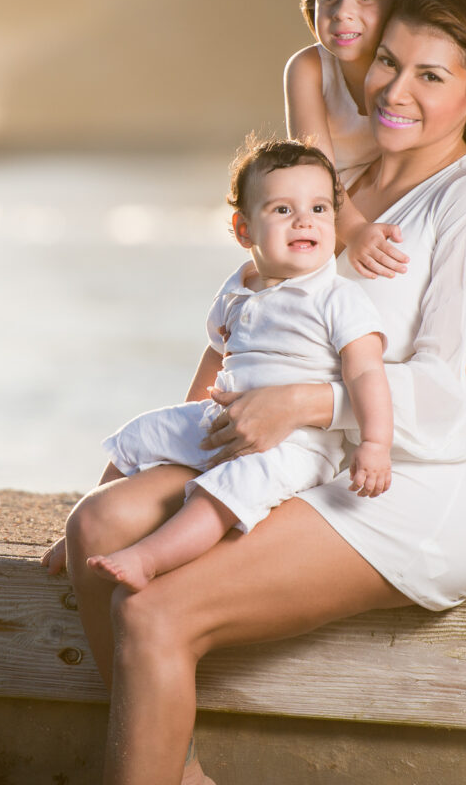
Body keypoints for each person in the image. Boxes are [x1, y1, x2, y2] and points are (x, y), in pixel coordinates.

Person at [44, 0, 466, 785]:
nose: (395, 88)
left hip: (410, 490)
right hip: (293, 458)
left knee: (153, 616)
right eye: (389, 61)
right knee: (96, 526)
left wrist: (305, 401)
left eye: (431, 75)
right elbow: (246, 320)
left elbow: (453, 404)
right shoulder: (336, 185)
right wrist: (167, 447)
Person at [85, 138, 392, 593]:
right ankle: (82, 529)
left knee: (227, 489)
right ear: (244, 230)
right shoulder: (236, 291)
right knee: (139, 435)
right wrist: (186, 421)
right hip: (222, 419)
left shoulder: (338, 299)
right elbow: (216, 354)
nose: (305, 219)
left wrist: (375, 443)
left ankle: (147, 560)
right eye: (283, 210)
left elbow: (367, 373)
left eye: (320, 208)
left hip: (295, 444)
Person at [285, 0, 431, 280]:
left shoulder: (415, 71)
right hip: (324, 207)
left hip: (395, 199)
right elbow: (316, 170)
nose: (342, 12)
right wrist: (352, 230)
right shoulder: (308, 69)